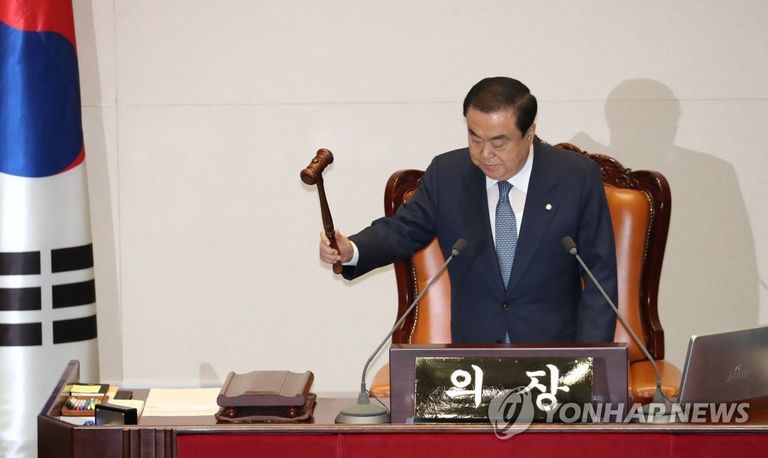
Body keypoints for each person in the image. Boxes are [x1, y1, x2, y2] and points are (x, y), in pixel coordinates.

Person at [319, 76, 617, 344]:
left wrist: (589, 363)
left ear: (529, 134)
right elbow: (403, 229)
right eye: (475, 138)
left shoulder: (575, 178)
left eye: (499, 142)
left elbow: (600, 277)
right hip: (473, 360)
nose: (485, 154)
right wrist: (352, 250)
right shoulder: (448, 174)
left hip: (554, 357)